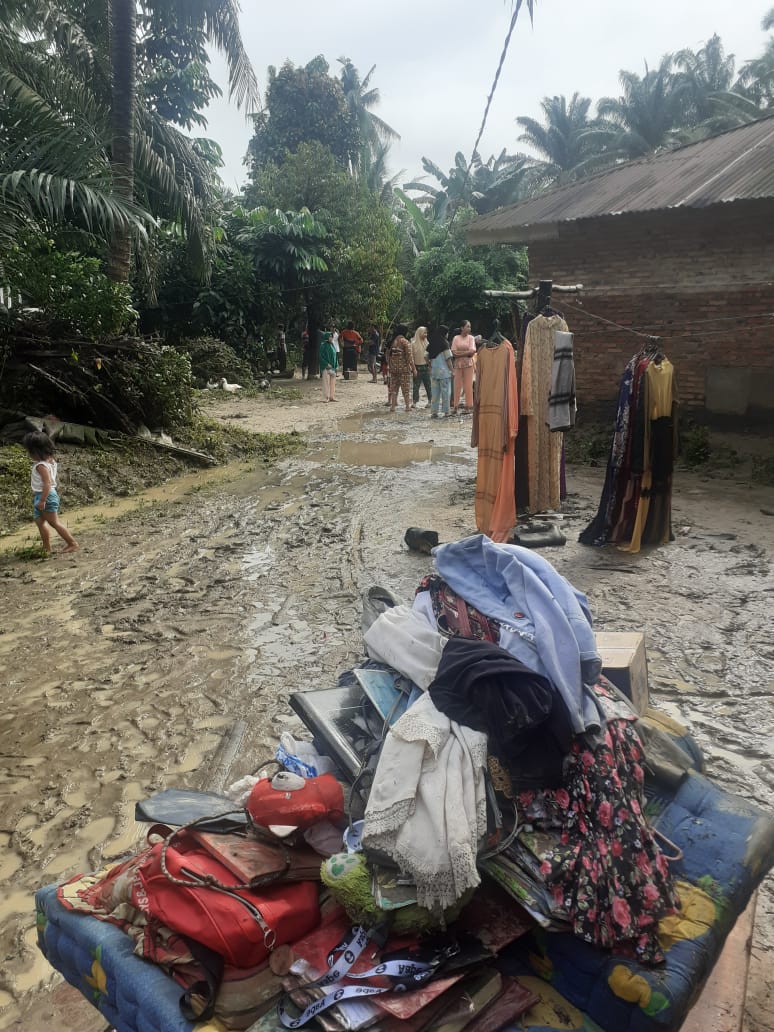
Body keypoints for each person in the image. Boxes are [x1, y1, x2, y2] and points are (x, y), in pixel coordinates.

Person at [22, 431, 79, 554]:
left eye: (30, 452)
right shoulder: (50, 461)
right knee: (40, 522)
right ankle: (47, 548)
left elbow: (47, 483)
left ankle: (72, 543)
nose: (29, 454)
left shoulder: (41, 466)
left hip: (45, 496)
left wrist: (42, 500)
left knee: (54, 523)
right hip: (41, 496)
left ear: (37, 451)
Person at [386, 324, 416, 412]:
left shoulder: (391, 342)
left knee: (394, 387)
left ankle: (393, 407)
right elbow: (409, 357)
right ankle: (407, 407)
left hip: (393, 369)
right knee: (405, 388)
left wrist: (390, 364)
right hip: (404, 369)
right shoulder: (405, 342)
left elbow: (387, 355)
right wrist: (414, 369)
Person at [428, 325, 454, 418]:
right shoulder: (445, 343)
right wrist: (452, 370)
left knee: (435, 393)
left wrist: (430, 365)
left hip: (434, 372)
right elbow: (448, 360)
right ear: (444, 333)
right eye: (447, 333)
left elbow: (425, 355)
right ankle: (446, 412)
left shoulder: (431, 343)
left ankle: (434, 412)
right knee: (446, 393)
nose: (447, 335)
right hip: (444, 373)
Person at [451, 320, 477, 414]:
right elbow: (453, 352)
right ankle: (455, 406)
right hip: (458, 364)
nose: (469, 328)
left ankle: (468, 406)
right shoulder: (456, 338)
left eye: (470, 327)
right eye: (467, 326)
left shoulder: (471, 338)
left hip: (469, 364)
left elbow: (473, 351)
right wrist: (466, 353)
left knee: (468, 385)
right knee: (457, 385)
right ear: (462, 328)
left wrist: (460, 354)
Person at [410, 326, 432, 408]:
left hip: (426, 367)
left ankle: (430, 401)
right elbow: (411, 357)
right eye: (424, 333)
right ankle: (415, 402)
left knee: (428, 385)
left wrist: (430, 367)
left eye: (426, 333)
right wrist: (413, 369)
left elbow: (430, 356)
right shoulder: (413, 344)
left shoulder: (427, 343)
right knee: (416, 386)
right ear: (419, 333)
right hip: (417, 367)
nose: (426, 335)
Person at [319, 330, 338, 402]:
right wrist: (326, 364)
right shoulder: (323, 345)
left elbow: (335, 356)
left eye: (331, 337)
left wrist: (336, 366)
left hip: (333, 367)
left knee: (333, 383)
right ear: (327, 337)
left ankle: (331, 397)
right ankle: (326, 397)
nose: (331, 338)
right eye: (330, 337)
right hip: (326, 367)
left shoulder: (332, 345)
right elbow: (320, 356)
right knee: (326, 383)